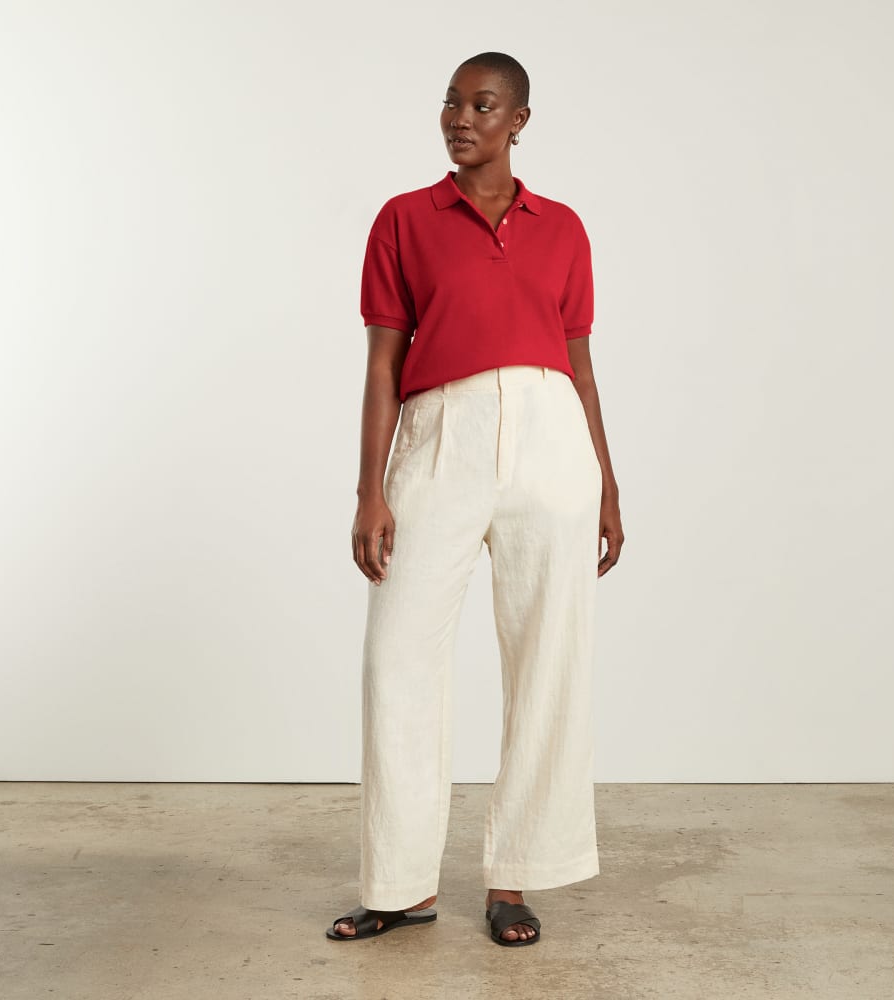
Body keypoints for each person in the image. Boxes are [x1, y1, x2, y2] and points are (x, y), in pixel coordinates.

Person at [327, 51, 624, 947]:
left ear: (519, 120)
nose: (461, 118)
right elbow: (383, 365)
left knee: (547, 661)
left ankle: (514, 878)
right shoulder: (404, 220)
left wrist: (607, 482)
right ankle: (400, 885)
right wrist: (371, 490)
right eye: (452, 103)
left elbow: (579, 366)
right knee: (398, 658)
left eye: (483, 105)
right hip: (440, 438)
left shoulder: (563, 228)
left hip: (551, 441)